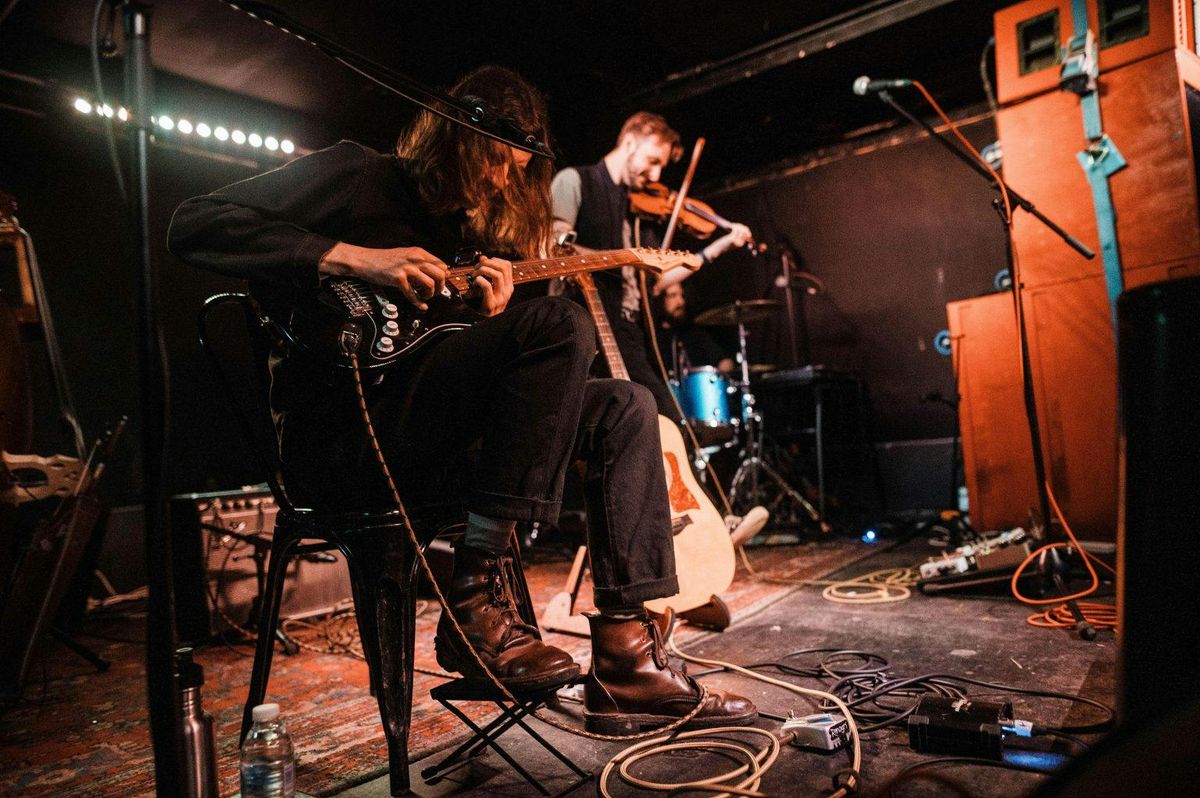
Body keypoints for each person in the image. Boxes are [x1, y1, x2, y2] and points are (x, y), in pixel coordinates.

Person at [167, 65, 754, 733]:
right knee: (563, 326)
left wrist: (485, 305)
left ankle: (624, 660)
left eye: (515, 169)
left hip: (424, 433)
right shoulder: (356, 173)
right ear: (456, 136)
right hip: (345, 436)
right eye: (495, 160)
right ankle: (471, 598)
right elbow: (192, 223)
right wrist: (349, 256)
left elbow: (448, 356)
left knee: (625, 407)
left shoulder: (456, 234)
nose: (503, 181)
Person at [549, 112, 752, 418]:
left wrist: (719, 246)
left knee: (670, 424)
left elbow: (656, 280)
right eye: (653, 160)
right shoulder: (575, 180)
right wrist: (625, 257)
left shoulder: (638, 212)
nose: (656, 176)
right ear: (630, 142)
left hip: (630, 334)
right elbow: (552, 248)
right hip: (582, 327)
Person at [655, 282, 735, 377]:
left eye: (682, 295)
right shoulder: (652, 338)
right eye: (673, 296)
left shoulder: (693, 333)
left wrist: (719, 375)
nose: (681, 302)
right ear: (660, 300)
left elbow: (724, 361)